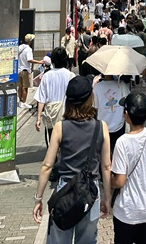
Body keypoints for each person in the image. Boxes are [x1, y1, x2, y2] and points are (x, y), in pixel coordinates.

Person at [33, 76, 111, 243]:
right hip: (91, 192)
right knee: (88, 240)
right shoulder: (101, 127)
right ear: (91, 98)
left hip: (65, 191)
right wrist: (107, 198)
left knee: (59, 238)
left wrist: (38, 199)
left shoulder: (61, 127)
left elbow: (47, 165)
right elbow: (106, 167)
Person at [111, 92, 146, 244]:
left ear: (126, 114)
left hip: (127, 213)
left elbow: (120, 181)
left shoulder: (122, 142)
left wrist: (109, 181)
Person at [36, 47, 75, 147]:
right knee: (66, 143)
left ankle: (54, 159)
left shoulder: (47, 76)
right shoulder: (71, 75)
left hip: (51, 115)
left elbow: (41, 99)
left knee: (53, 143)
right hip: (67, 115)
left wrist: (38, 118)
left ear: (52, 60)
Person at [93, 75, 130, 155]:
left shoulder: (97, 87)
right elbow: (127, 102)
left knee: (105, 154)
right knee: (120, 153)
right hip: (119, 124)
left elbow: (95, 107)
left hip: (103, 126)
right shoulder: (121, 85)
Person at [18, 34, 39, 109]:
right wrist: (39, 62)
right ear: (30, 41)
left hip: (18, 69)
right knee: (25, 87)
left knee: (20, 87)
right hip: (25, 70)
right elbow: (29, 59)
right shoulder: (28, 49)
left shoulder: (20, 47)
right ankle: (24, 102)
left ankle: (20, 101)